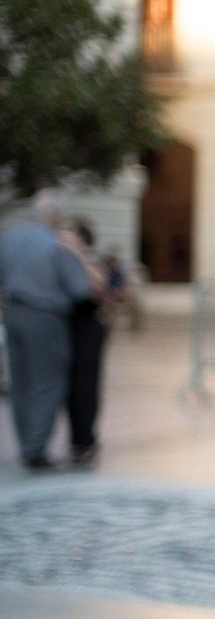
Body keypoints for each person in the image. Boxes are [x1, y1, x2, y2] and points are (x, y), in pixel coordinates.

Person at [0, 190, 95, 469]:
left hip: (13, 313)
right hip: (45, 316)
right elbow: (80, 289)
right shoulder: (57, 245)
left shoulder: (10, 239)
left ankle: (27, 443)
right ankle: (35, 448)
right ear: (55, 217)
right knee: (47, 383)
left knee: (21, 384)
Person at [63, 220, 109, 464]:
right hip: (66, 328)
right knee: (69, 387)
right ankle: (75, 439)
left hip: (88, 329)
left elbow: (100, 288)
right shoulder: (63, 261)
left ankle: (86, 440)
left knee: (86, 385)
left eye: (69, 236)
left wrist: (79, 257)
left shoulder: (91, 260)